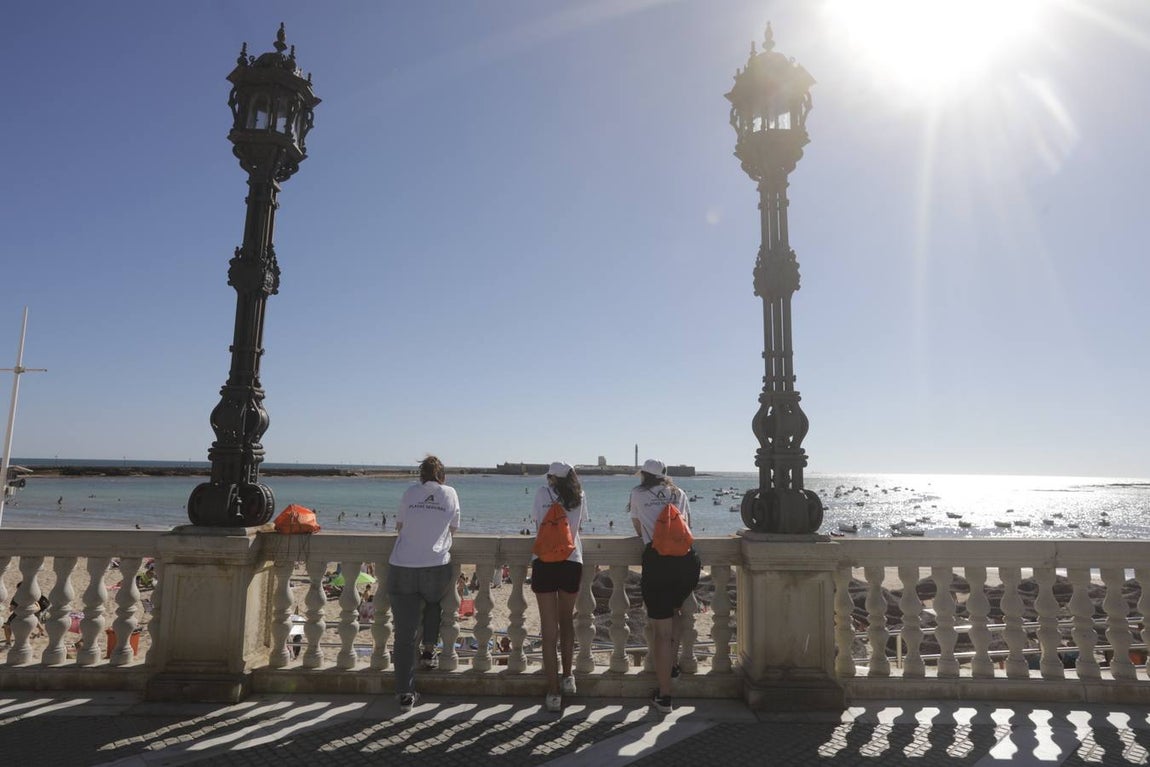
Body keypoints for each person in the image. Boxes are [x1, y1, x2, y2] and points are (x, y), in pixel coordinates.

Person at [387, 455, 460, 713]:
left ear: (421, 474)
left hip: (403, 565)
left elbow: (399, 526)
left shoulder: (410, 493)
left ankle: (405, 693)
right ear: (442, 476)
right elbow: (453, 529)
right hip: (435, 567)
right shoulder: (450, 494)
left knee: (404, 636)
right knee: (433, 601)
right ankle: (429, 650)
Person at [629, 458, 700, 715]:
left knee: (661, 631)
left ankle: (665, 696)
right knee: (677, 612)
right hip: (686, 562)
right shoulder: (678, 492)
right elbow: (687, 526)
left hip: (658, 562)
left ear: (644, 475)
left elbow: (638, 529)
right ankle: (671, 665)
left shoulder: (638, 494)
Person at [531, 460, 588, 712]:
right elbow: (579, 527)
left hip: (544, 561)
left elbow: (536, 523)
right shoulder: (579, 495)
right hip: (571, 561)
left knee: (548, 628)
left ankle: (553, 692)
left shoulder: (543, 493)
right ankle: (568, 676)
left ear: (552, 477)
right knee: (567, 621)